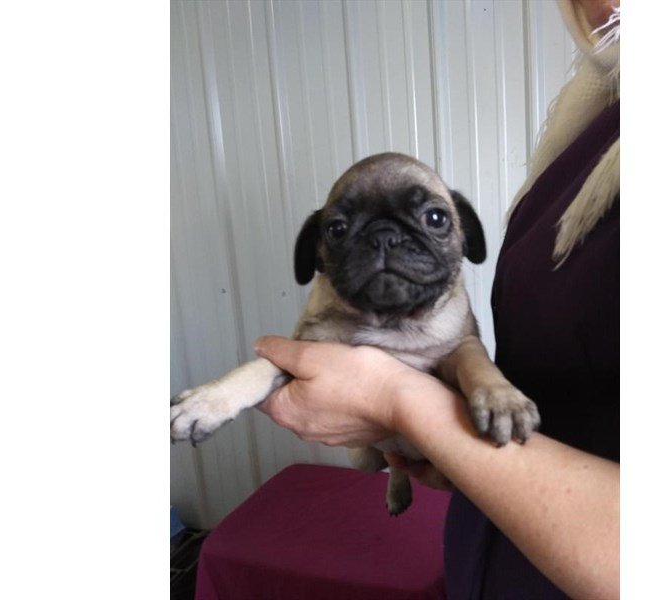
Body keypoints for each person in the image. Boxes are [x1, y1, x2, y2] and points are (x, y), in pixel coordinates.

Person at [254, 1, 620, 597]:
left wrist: (399, 403)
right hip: (496, 531)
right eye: (347, 231)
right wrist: (458, 455)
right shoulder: (597, 110)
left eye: (428, 219)